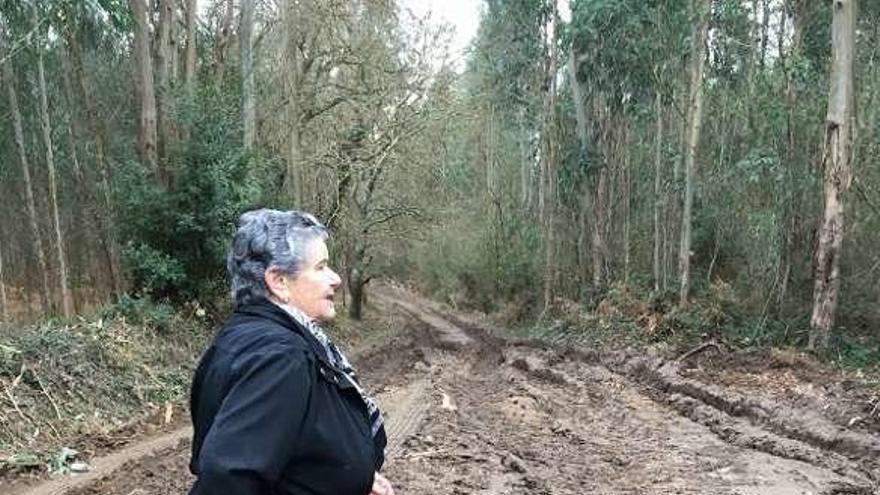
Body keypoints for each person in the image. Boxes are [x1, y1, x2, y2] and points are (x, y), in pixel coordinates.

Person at [188, 209, 394, 495]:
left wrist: (350, 479)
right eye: (321, 267)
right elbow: (228, 478)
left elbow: (290, 446)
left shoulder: (240, 337)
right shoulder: (280, 356)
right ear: (279, 281)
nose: (335, 278)